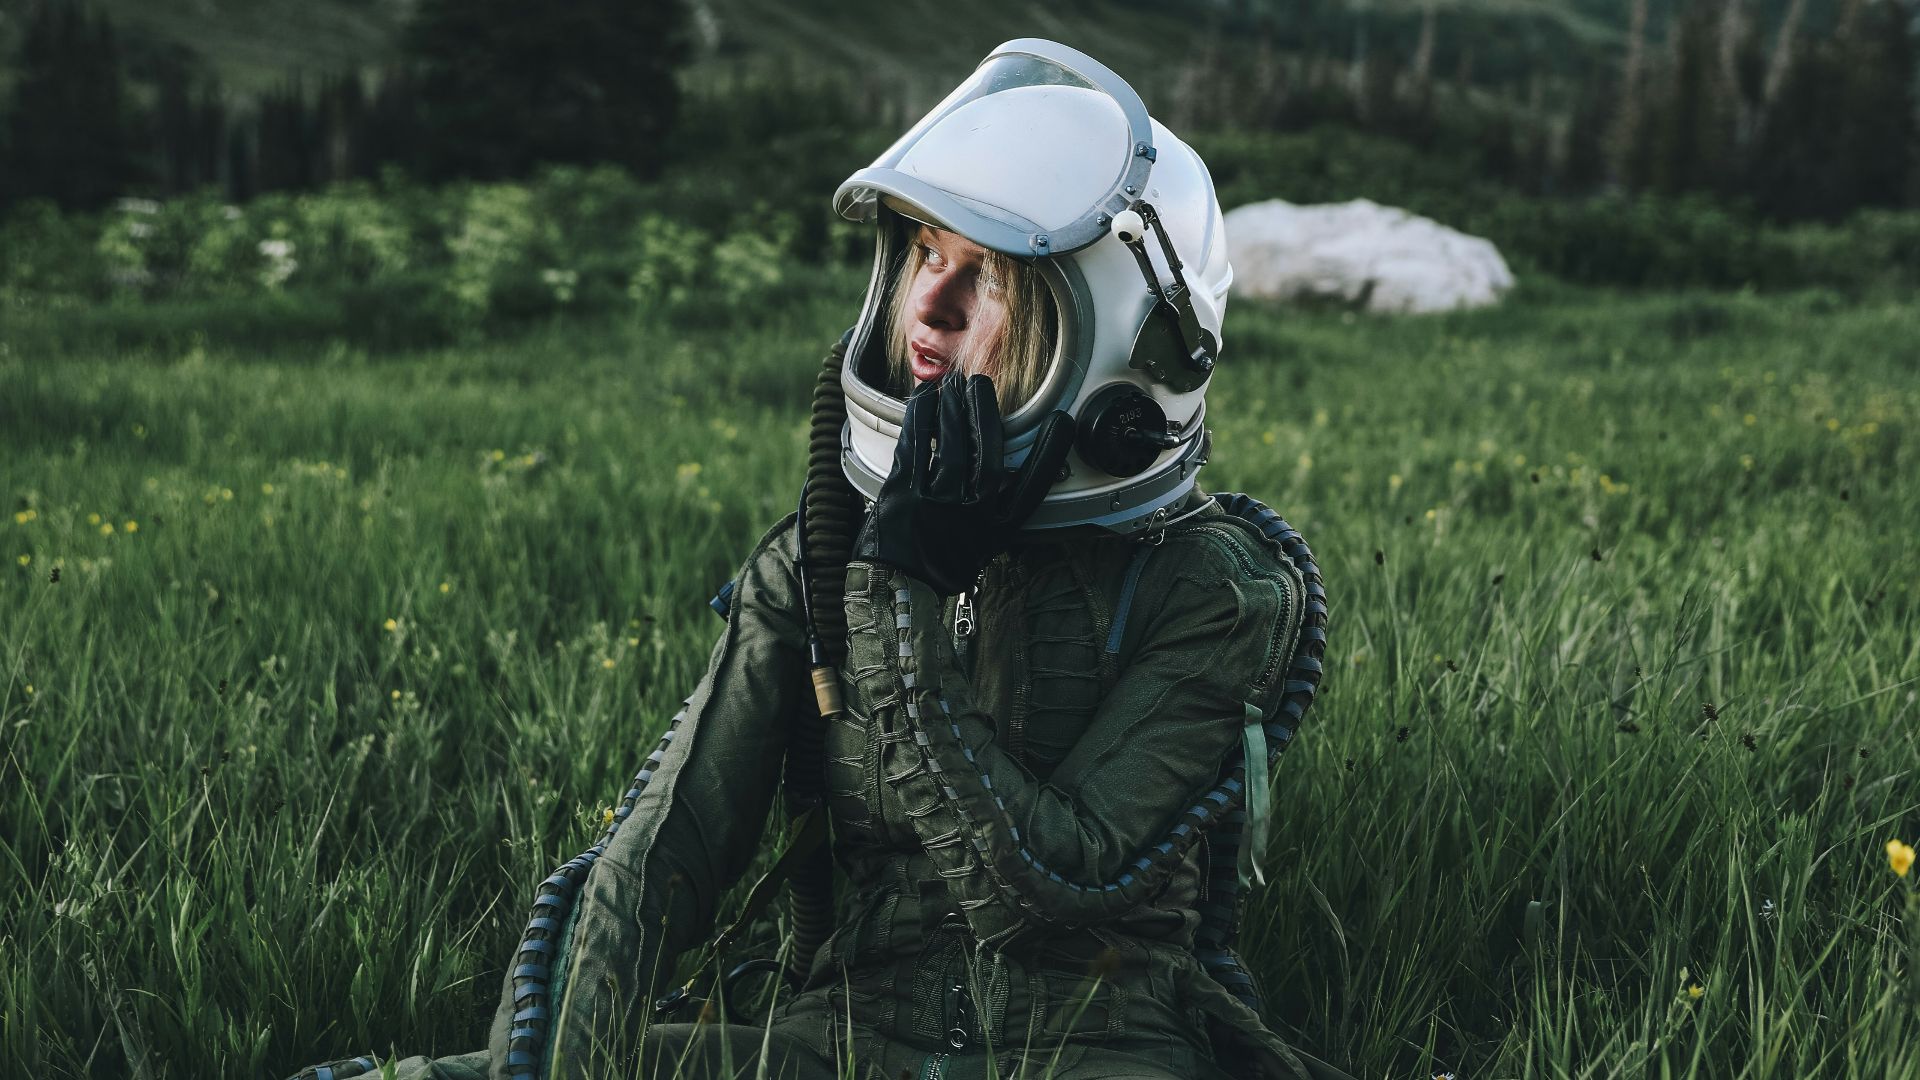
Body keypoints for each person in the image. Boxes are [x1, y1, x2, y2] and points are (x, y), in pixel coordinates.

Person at [291, 38, 1335, 1080]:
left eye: (996, 280)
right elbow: (663, 855)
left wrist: (900, 598)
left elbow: (1044, 888)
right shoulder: (824, 551)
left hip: (1095, 1053)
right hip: (840, 1049)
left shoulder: (1217, 586)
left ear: (1122, 349)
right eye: (928, 254)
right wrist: (562, 1068)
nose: (931, 309)